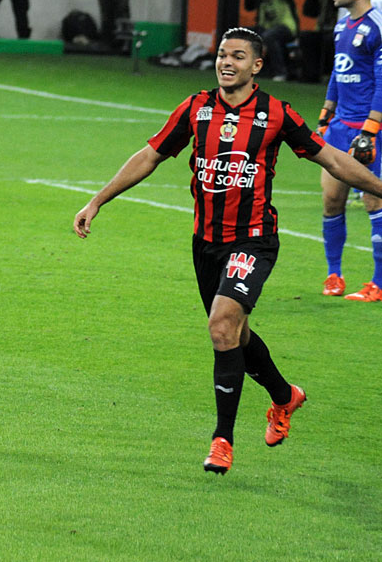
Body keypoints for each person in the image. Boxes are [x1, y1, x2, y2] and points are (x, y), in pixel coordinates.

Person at [73, 27, 382, 474]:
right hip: (207, 244)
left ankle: (222, 440)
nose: (225, 62)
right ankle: (284, 396)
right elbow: (151, 155)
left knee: (221, 327)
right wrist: (97, 200)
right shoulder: (196, 108)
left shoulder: (276, 114)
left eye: (237, 56)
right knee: (234, 335)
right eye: (221, 54)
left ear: (256, 65)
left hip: (254, 239)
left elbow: (331, 159)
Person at [316, 0, 382, 301]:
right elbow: (338, 72)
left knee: (375, 199)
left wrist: (371, 130)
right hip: (339, 127)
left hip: (368, 129)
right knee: (331, 199)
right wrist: (327, 114)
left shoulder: (377, 26)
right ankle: (334, 274)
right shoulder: (343, 26)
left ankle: (378, 283)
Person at [244, 0, 299, 80]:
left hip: (285, 25)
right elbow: (248, 6)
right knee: (243, 35)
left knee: (269, 36)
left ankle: (280, 72)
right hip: (265, 26)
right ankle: (245, 70)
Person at [300, 0, 340, 83]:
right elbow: (308, 11)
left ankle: (329, 74)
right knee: (306, 36)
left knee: (330, 40)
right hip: (321, 29)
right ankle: (311, 75)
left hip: (337, 28)